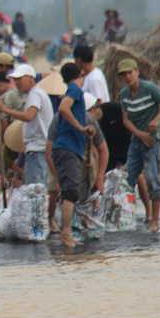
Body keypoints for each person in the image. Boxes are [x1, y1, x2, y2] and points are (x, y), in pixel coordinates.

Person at [118, 59, 160, 233]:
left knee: (152, 179)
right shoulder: (124, 94)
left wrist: (157, 118)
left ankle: (154, 222)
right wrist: (139, 134)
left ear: (137, 72)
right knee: (127, 179)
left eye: (130, 73)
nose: (127, 77)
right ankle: (128, 217)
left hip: (153, 140)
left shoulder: (149, 88)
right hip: (137, 140)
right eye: (124, 75)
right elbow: (125, 119)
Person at [49, 63, 95, 248]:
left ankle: (65, 232)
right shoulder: (75, 90)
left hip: (69, 150)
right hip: (66, 149)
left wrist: (82, 157)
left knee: (70, 191)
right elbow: (63, 108)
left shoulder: (73, 91)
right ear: (80, 75)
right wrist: (81, 128)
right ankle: (65, 232)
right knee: (70, 192)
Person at [0, 63, 53, 187]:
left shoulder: (35, 94)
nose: (17, 83)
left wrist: (4, 109)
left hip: (38, 150)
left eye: (19, 79)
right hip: (39, 149)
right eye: (15, 80)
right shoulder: (37, 94)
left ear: (30, 78)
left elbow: (28, 116)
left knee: (36, 193)